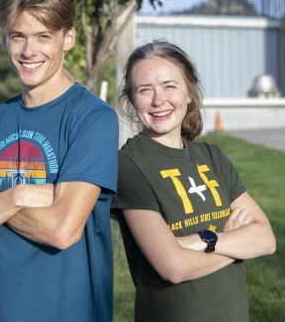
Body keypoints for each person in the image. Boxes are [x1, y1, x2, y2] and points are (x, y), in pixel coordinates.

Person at [0, 0, 118, 322]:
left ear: (69, 38)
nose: (28, 51)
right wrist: (14, 196)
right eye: (18, 36)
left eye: (43, 37)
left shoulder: (92, 119)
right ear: (4, 37)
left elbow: (61, 230)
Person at [112, 40, 276, 322]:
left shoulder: (212, 157)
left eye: (169, 86)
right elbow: (173, 267)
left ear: (189, 92)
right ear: (131, 99)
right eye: (144, 90)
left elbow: (265, 239)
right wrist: (234, 245)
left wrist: (200, 241)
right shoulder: (128, 165)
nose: (158, 100)